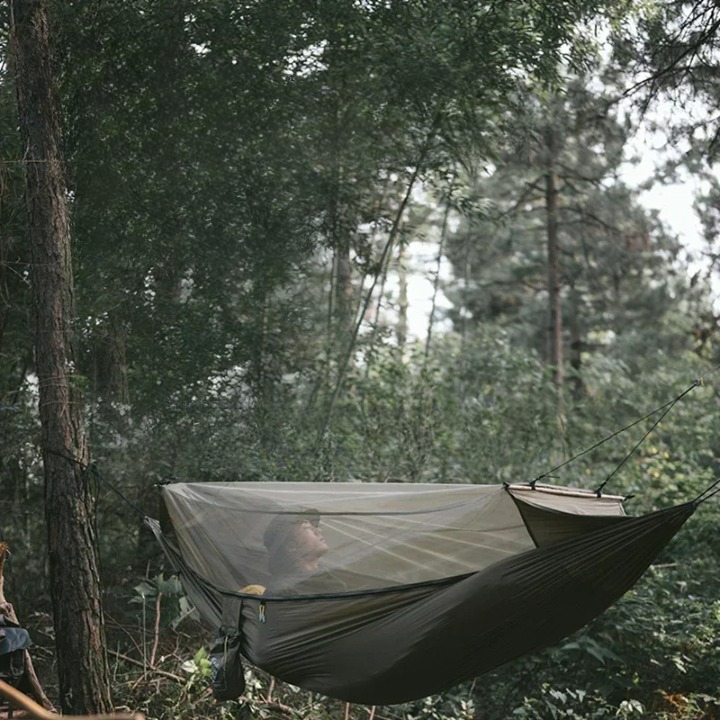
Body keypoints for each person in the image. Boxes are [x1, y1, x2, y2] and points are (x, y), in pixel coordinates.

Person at [263, 512, 328, 582]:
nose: (318, 530)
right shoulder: (288, 588)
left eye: (314, 527)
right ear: (292, 547)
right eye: (307, 528)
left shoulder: (326, 574)